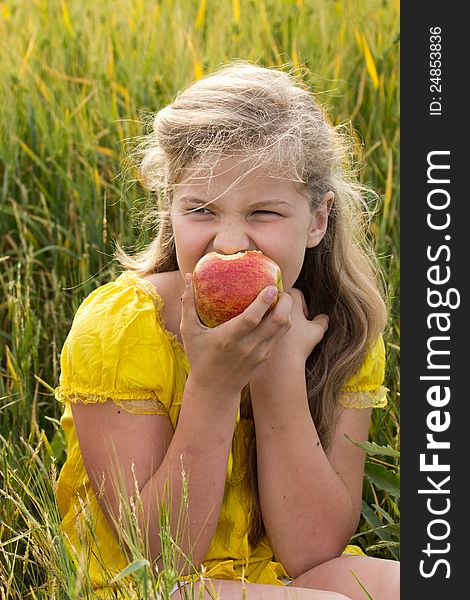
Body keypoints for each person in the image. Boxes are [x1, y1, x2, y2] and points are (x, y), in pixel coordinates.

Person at [54, 61, 400, 599]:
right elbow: (160, 559)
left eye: (263, 212)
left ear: (317, 220)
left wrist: (278, 376)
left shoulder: (342, 327)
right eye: (202, 211)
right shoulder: (121, 330)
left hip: (280, 575)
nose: (230, 243)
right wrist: (213, 388)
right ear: (170, 208)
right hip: (150, 587)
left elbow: (314, 550)